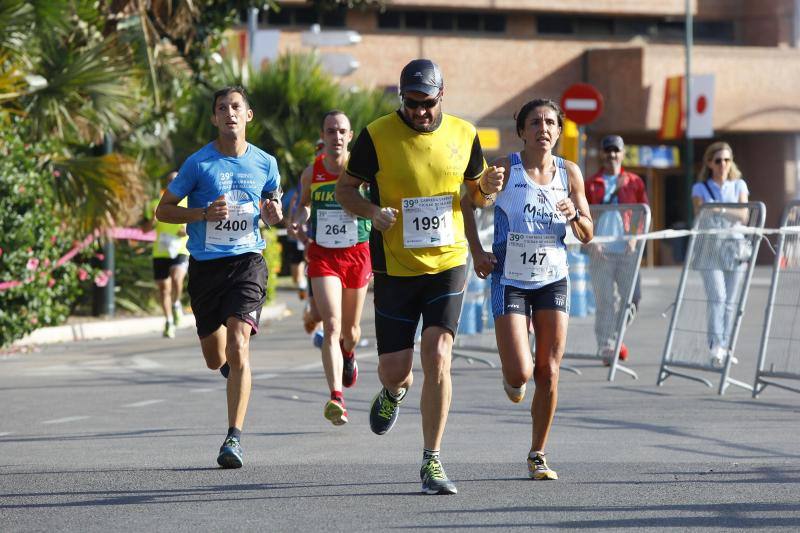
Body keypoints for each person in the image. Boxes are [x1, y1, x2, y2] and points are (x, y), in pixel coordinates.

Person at [336, 59, 500, 495]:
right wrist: (373, 212)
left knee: (439, 354)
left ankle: (432, 460)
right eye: (411, 104)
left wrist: (489, 187)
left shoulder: (465, 134)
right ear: (401, 100)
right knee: (396, 371)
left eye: (427, 104)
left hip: (448, 262)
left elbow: (475, 197)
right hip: (395, 266)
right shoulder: (375, 135)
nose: (420, 112)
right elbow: (344, 190)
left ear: (441, 96)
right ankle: (392, 393)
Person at [463, 98, 593, 480]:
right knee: (521, 373)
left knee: (549, 372)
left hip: (553, 277)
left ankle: (538, 452)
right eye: (535, 122)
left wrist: (575, 217)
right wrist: (478, 252)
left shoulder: (570, 173)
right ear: (521, 130)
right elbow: (470, 203)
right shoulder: (504, 168)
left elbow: (588, 233)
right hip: (511, 279)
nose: (544, 129)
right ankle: (511, 375)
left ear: (558, 130)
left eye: (551, 122)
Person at [156, 86, 283, 468]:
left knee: (240, 344)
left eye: (236, 107)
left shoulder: (266, 162)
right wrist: (201, 214)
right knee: (216, 359)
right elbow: (164, 210)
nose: (229, 113)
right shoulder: (198, 163)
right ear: (214, 118)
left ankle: (233, 439)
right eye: (222, 108)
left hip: (247, 262)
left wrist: (275, 214)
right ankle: (231, 371)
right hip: (206, 267)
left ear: (248, 115)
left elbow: (274, 202)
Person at [289, 110, 371, 426]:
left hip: (357, 253)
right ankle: (336, 397)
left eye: (341, 131)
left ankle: (349, 355)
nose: (335, 137)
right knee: (332, 325)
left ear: (350, 137)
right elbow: (305, 204)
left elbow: (375, 200)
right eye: (330, 131)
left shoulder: (361, 170)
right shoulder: (313, 172)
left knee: (349, 332)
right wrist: (299, 219)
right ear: (322, 136)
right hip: (323, 254)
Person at [584, 135, 649, 364]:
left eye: (616, 150)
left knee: (633, 297)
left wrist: (634, 238)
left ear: (622, 153)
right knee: (605, 301)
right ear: (603, 154)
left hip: (627, 251)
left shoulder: (634, 182)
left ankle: (615, 336)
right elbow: (584, 215)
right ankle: (606, 346)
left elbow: (643, 212)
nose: (612, 154)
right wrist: (591, 241)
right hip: (601, 251)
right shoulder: (592, 183)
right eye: (608, 150)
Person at [691, 141, 750, 369]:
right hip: (709, 249)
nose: (723, 164)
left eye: (727, 160)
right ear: (709, 163)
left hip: (735, 249)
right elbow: (700, 211)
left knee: (730, 301)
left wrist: (718, 208)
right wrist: (726, 210)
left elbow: (744, 215)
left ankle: (726, 346)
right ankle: (715, 345)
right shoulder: (700, 188)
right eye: (718, 160)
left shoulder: (739, 185)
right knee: (718, 297)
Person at [141, 171, 190, 339]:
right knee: (163, 288)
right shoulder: (155, 204)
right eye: (170, 180)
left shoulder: (188, 202)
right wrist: (153, 220)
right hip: (161, 250)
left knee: (177, 280)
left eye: (176, 179)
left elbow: (197, 222)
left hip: (180, 249)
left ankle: (176, 304)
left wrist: (186, 231)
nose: (173, 182)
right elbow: (145, 229)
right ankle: (169, 321)